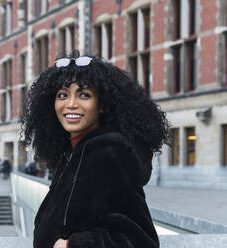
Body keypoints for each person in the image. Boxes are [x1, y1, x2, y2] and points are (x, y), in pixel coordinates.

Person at [22, 51, 170, 248]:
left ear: (101, 105)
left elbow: (141, 241)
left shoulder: (110, 154)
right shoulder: (73, 152)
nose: (71, 104)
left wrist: (73, 245)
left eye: (84, 95)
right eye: (63, 95)